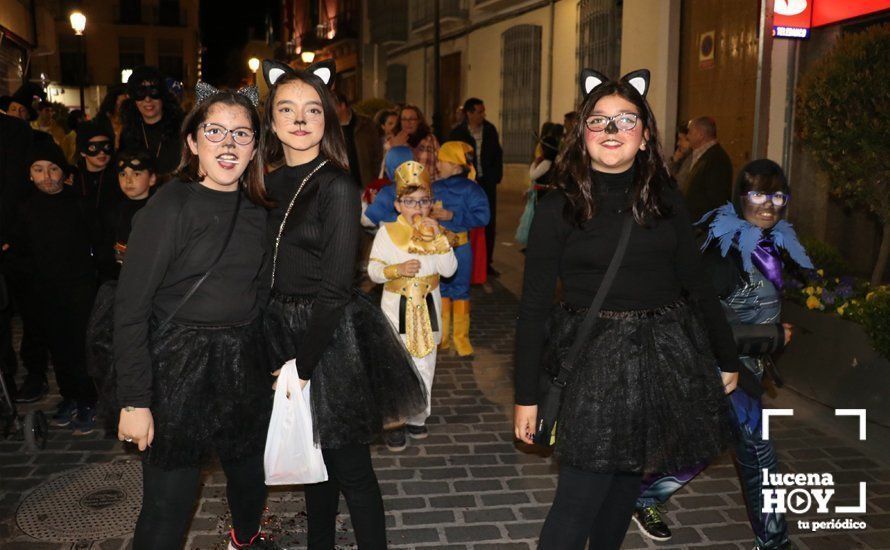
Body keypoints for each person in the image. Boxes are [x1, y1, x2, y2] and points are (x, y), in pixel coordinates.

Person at [513, 69, 741, 550]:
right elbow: (532, 308)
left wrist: (726, 357)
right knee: (577, 502)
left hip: (660, 360)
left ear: (644, 137)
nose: (612, 130)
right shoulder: (558, 207)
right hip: (591, 364)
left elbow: (697, 284)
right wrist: (526, 394)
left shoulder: (666, 200)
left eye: (625, 120)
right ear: (583, 136)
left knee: (623, 489)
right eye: (599, 121)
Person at [260, 59, 425, 549]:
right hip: (280, 330)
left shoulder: (336, 183)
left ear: (328, 119)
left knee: (351, 469)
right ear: (271, 121)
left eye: (313, 109)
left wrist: (302, 365)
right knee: (314, 469)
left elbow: (335, 287)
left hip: (328, 338)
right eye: (287, 108)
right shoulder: (267, 183)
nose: (300, 119)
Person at [114, 86, 276, 550]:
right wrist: (135, 401)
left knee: (250, 480)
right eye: (215, 131)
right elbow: (131, 308)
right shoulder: (168, 208)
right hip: (177, 367)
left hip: (242, 363)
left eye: (241, 134)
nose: (228, 144)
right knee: (168, 505)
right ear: (193, 143)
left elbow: (260, 294)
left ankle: (244, 541)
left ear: (255, 146)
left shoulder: (259, 208)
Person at [631, 159, 810, 550]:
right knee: (758, 450)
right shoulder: (723, 252)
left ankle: (644, 495)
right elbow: (696, 320)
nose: (769, 205)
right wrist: (770, 335)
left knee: (702, 444)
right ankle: (775, 542)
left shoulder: (769, 242)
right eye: (758, 194)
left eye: (778, 195)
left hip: (744, 366)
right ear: (739, 197)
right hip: (720, 368)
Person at [10, 140, 98, 433]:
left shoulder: (79, 204)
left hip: (80, 289)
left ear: (64, 172)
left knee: (81, 345)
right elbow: (20, 252)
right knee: (58, 347)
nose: (46, 177)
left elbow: (95, 246)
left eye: (53, 169)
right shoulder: (24, 209)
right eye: (38, 170)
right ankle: (69, 395)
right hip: (44, 292)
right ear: (29, 173)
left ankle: (88, 398)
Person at [368, 161, 457, 451]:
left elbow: (448, 270)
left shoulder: (436, 232)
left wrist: (441, 241)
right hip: (397, 308)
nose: (417, 208)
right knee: (397, 363)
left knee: (425, 362)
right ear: (397, 205)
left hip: (428, 307)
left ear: (431, 203)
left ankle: (418, 415)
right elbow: (373, 271)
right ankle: (395, 419)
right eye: (409, 202)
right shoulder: (387, 233)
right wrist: (397, 270)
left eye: (423, 201)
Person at [431, 141, 490, 357]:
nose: (437, 164)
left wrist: (453, 216)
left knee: (461, 291)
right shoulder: (434, 187)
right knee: (440, 290)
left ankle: (461, 338)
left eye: (442, 161)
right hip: (437, 247)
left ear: (456, 166)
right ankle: (442, 337)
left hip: (461, 247)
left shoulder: (472, 189)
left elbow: (483, 217)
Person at [448, 97, 503, 276]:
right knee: (465, 221)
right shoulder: (458, 132)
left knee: (488, 221)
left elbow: (497, 155)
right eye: (479, 111)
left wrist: (494, 177)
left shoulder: (490, 130)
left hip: (486, 183)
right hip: (465, 184)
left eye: (483, 111)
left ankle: (486, 263)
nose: (482, 115)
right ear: (469, 113)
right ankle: (463, 262)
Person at [120, 66, 185, 178]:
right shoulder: (128, 133)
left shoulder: (182, 128)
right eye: (141, 93)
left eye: (153, 92)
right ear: (133, 98)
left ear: (163, 95)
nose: (147, 99)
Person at [683, 115, 733, 220]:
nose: (687, 136)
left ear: (700, 135)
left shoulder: (717, 159)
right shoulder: (702, 155)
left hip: (703, 226)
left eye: (690, 132)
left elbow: (716, 198)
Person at [333, 91, 383, 190]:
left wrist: (375, 180)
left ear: (342, 106)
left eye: (331, 107)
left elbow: (378, 154)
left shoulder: (366, 125)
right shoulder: (328, 129)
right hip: (341, 188)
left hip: (366, 186)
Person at [362, 145, 414, 227]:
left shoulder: (387, 193)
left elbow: (366, 221)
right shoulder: (423, 190)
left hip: (393, 237)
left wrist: (366, 203)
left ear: (390, 168)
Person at [391, 104, 440, 181]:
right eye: (404, 119)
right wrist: (395, 148)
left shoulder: (430, 139)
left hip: (428, 188)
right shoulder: (392, 140)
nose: (408, 122)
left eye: (412, 119)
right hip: (401, 188)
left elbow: (439, 166)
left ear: (419, 121)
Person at [670, 121, 693, 191]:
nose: (678, 143)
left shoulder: (691, 160)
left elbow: (676, 186)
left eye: (680, 139)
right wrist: (674, 161)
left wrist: (674, 162)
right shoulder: (683, 158)